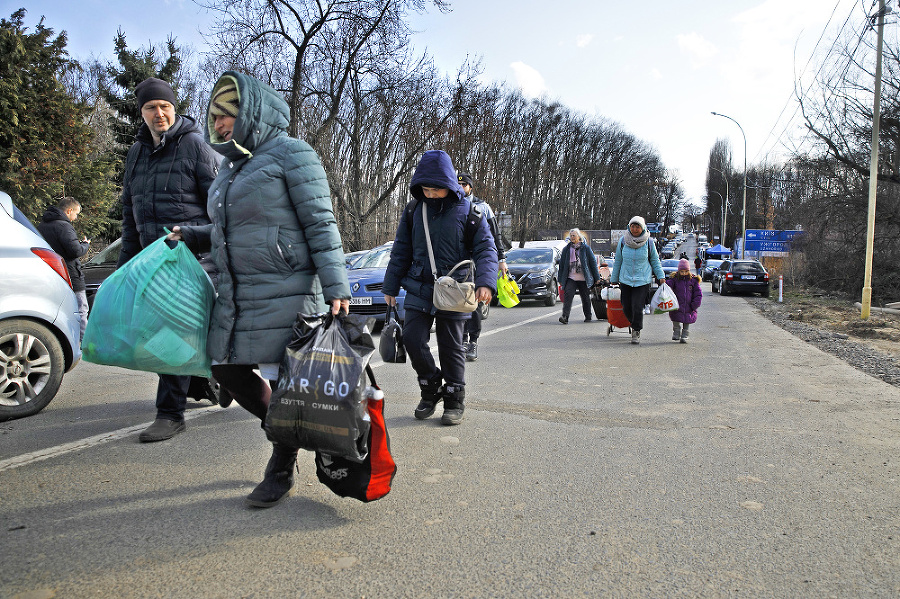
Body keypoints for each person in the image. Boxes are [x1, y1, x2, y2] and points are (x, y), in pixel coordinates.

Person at [171, 71, 351, 508]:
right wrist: (191, 235)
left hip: (289, 287)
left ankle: (281, 464)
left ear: (251, 112)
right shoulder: (230, 167)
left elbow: (319, 222)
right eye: (214, 117)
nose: (219, 124)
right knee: (225, 369)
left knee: (290, 382)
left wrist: (335, 283)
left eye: (228, 115)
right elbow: (224, 227)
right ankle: (286, 430)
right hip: (239, 292)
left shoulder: (293, 153)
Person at [117, 77, 221, 443]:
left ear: (173, 108)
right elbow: (131, 216)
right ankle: (210, 382)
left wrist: (195, 239)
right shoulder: (136, 154)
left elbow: (221, 212)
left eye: (164, 106)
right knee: (170, 332)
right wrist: (126, 267)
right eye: (150, 107)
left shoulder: (195, 146)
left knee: (171, 333)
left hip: (191, 258)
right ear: (141, 112)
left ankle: (170, 414)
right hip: (152, 260)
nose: (158, 113)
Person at [382, 150, 498, 426]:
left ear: (449, 184)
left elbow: (486, 248)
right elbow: (401, 250)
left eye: (437, 189)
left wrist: (485, 282)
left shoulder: (470, 212)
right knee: (411, 339)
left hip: (454, 290)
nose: (431, 193)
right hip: (419, 286)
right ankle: (431, 387)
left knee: (451, 346)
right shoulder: (413, 211)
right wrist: (390, 286)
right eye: (426, 188)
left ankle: (454, 398)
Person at [458, 172, 507, 361]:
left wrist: (501, 259)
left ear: (470, 187)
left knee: (474, 303)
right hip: (460, 263)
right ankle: (461, 340)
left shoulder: (482, 207)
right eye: (458, 185)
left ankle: (473, 341)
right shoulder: (451, 205)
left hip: (478, 262)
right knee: (459, 303)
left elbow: (494, 237)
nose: (461, 188)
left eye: (464, 185)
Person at [37, 197, 90, 342]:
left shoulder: (42, 226)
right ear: (69, 210)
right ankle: (83, 342)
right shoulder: (64, 226)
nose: (76, 217)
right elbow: (74, 251)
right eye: (76, 214)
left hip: (50, 275)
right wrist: (85, 245)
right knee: (81, 309)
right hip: (71, 274)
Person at [610, 216, 666, 344]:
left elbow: (655, 261)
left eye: (637, 227)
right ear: (629, 227)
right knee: (626, 307)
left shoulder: (649, 242)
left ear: (643, 228)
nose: (635, 229)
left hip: (642, 280)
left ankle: (636, 330)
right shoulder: (623, 241)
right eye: (632, 226)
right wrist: (614, 278)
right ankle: (633, 322)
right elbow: (618, 261)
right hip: (625, 279)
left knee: (637, 306)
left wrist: (661, 276)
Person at [557, 228, 602, 324]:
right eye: (571, 235)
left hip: (583, 278)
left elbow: (592, 263)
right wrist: (560, 278)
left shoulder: (585, 248)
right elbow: (562, 265)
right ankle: (565, 316)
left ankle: (588, 316)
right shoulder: (566, 249)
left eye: (574, 235)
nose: (572, 237)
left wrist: (597, 278)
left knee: (585, 297)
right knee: (568, 295)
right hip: (571, 277)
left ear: (578, 237)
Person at [665, 258, 703, 343]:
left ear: (688, 271)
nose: (684, 273)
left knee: (687, 320)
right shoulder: (674, 280)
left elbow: (698, 294)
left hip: (689, 305)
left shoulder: (693, 281)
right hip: (676, 305)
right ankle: (676, 332)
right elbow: (668, 286)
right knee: (675, 318)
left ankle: (685, 334)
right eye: (682, 271)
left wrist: (694, 304)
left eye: (686, 271)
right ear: (679, 271)